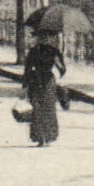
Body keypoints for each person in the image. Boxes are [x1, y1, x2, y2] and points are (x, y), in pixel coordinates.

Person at [18, 19, 67, 147]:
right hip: (49, 81)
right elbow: (62, 70)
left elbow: (27, 70)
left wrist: (24, 86)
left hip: (36, 80)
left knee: (37, 108)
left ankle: (40, 137)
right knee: (49, 108)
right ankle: (49, 136)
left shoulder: (33, 51)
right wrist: (60, 58)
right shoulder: (54, 51)